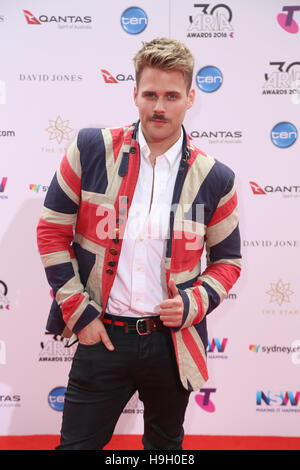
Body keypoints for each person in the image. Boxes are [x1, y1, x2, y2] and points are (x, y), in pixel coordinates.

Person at [37, 37, 241, 450]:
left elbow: (228, 262)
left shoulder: (216, 177)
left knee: (165, 451)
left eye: (171, 95)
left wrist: (193, 303)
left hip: (173, 343)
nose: (159, 107)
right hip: (102, 335)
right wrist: (79, 312)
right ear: (135, 95)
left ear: (190, 98)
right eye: (150, 95)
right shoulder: (91, 149)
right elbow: (51, 231)